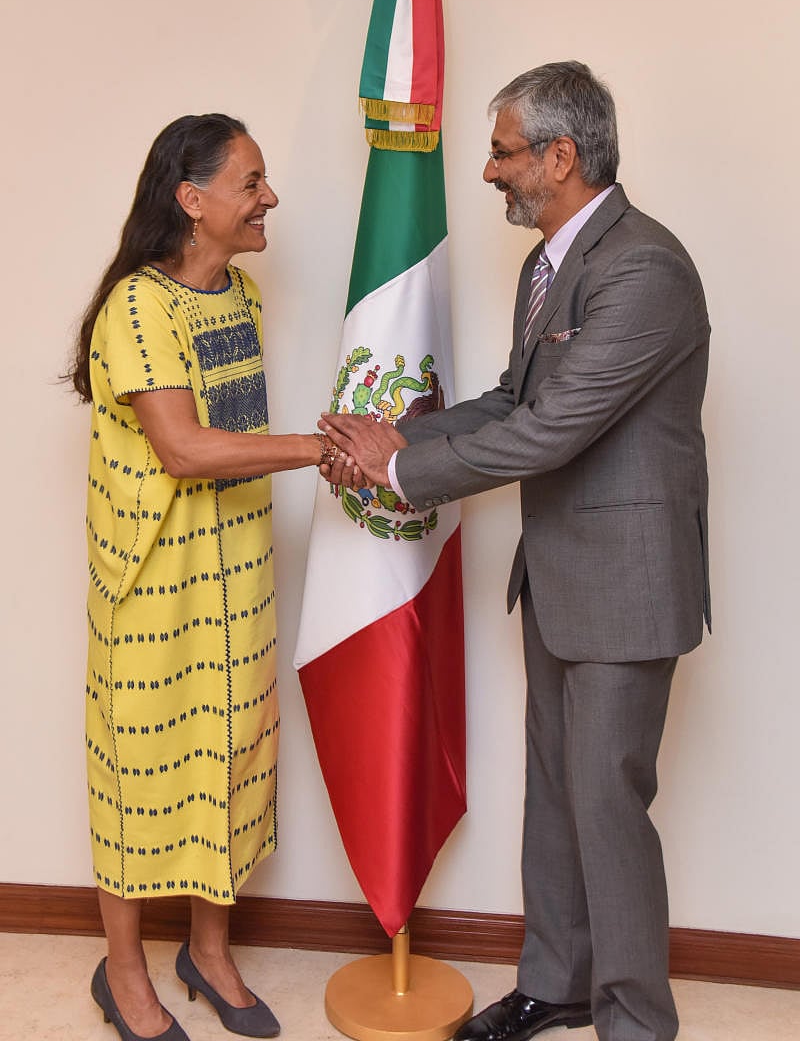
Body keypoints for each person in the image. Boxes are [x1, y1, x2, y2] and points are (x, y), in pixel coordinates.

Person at [319, 61, 711, 1041]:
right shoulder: (550, 264)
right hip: (557, 579)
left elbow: (553, 432)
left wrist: (398, 471)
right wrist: (408, 433)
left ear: (560, 155)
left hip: (624, 592)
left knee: (607, 810)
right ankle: (556, 984)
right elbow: (513, 400)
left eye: (502, 152)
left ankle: (635, 1023)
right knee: (556, 797)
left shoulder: (644, 269)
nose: (489, 170)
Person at [68, 114, 337, 1041]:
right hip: (156, 587)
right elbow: (184, 450)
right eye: (250, 183)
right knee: (141, 776)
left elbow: (236, 440)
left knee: (230, 760)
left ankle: (208, 952)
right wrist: (323, 447)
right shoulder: (137, 307)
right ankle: (123, 973)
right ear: (191, 200)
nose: (269, 198)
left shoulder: (241, 295)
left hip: (240, 580)